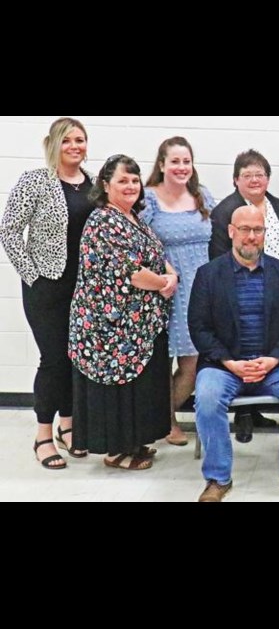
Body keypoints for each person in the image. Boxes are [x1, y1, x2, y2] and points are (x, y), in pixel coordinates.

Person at [189, 205, 279, 502]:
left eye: (258, 230)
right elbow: (199, 328)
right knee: (208, 398)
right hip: (224, 365)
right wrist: (230, 362)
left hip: (274, 364)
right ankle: (217, 478)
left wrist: (274, 359)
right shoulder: (208, 275)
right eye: (245, 230)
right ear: (231, 232)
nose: (251, 237)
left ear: (265, 233)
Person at [68, 155, 176, 471]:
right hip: (108, 329)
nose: (130, 186)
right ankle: (116, 451)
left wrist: (171, 275)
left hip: (138, 325)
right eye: (122, 181)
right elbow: (128, 271)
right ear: (105, 185)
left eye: (134, 180)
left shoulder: (133, 218)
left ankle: (134, 442)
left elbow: (156, 255)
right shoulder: (103, 221)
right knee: (116, 390)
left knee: (137, 389)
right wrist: (162, 284)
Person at [0, 117, 95, 469]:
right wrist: (32, 276)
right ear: (53, 143)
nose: (75, 146)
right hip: (47, 287)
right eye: (68, 140)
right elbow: (9, 231)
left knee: (76, 358)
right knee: (53, 359)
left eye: (81, 140)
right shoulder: (35, 181)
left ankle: (68, 426)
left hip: (84, 287)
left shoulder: (95, 184)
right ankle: (42, 434)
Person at [209, 149, 279, 439]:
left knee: (270, 343)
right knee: (244, 343)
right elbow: (218, 257)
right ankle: (243, 415)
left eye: (260, 174)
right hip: (241, 288)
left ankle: (256, 410)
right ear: (235, 180)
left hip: (278, 290)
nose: (255, 179)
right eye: (247, 175)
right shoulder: (225, 211)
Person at [142, 136, 217, 447]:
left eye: (186, 161)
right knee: (160, 362)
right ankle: (162, 422)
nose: (181, 167)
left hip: (201, 288)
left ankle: (163, 414)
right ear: (162, 165)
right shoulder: (147, 199)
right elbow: (139, 242)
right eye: (175, 161)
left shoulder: (202, 195)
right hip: (165, 290)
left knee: (193, 362)